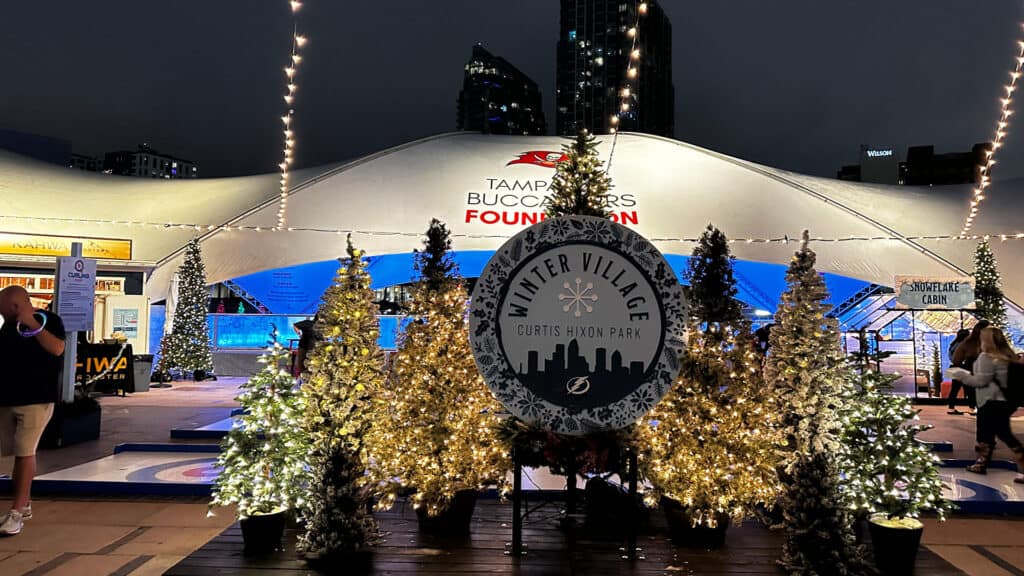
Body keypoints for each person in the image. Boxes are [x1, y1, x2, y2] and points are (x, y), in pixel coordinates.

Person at [0, 286, 66, 536]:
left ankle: (16, 511)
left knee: (25, 451)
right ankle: (23, 503)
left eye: (3, 306)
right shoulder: (7, 327)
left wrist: (30, 323)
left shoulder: (47, 321)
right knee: (16, 453)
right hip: (7, 398)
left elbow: (57, 348)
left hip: (36, 399)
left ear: (15, 306)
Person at [947, 326, 1024, 483]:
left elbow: (981, 381)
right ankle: (981, 463)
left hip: (989, 400)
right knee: (994, 432)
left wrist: (960, 374)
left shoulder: (986, 357)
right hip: (1006, 401)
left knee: (995, 432)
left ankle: (982, 463)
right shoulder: (1007, 356)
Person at [951, 320, 991, 416]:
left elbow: (955, 359)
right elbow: (956, 359)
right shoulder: (969, 343)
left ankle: (954, 407)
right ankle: (973, 408)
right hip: (968, 371)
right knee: (970, 390)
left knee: (957, 389)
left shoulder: (960, 344)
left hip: (961, 369)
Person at [946, 328, 972, 414]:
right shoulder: (964, 345)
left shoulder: (953, 344)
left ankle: (951, 408)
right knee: (969, 389)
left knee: (954, 389)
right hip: (963, 367)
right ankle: (972, 408)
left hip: (954, 367)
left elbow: (950, 357)